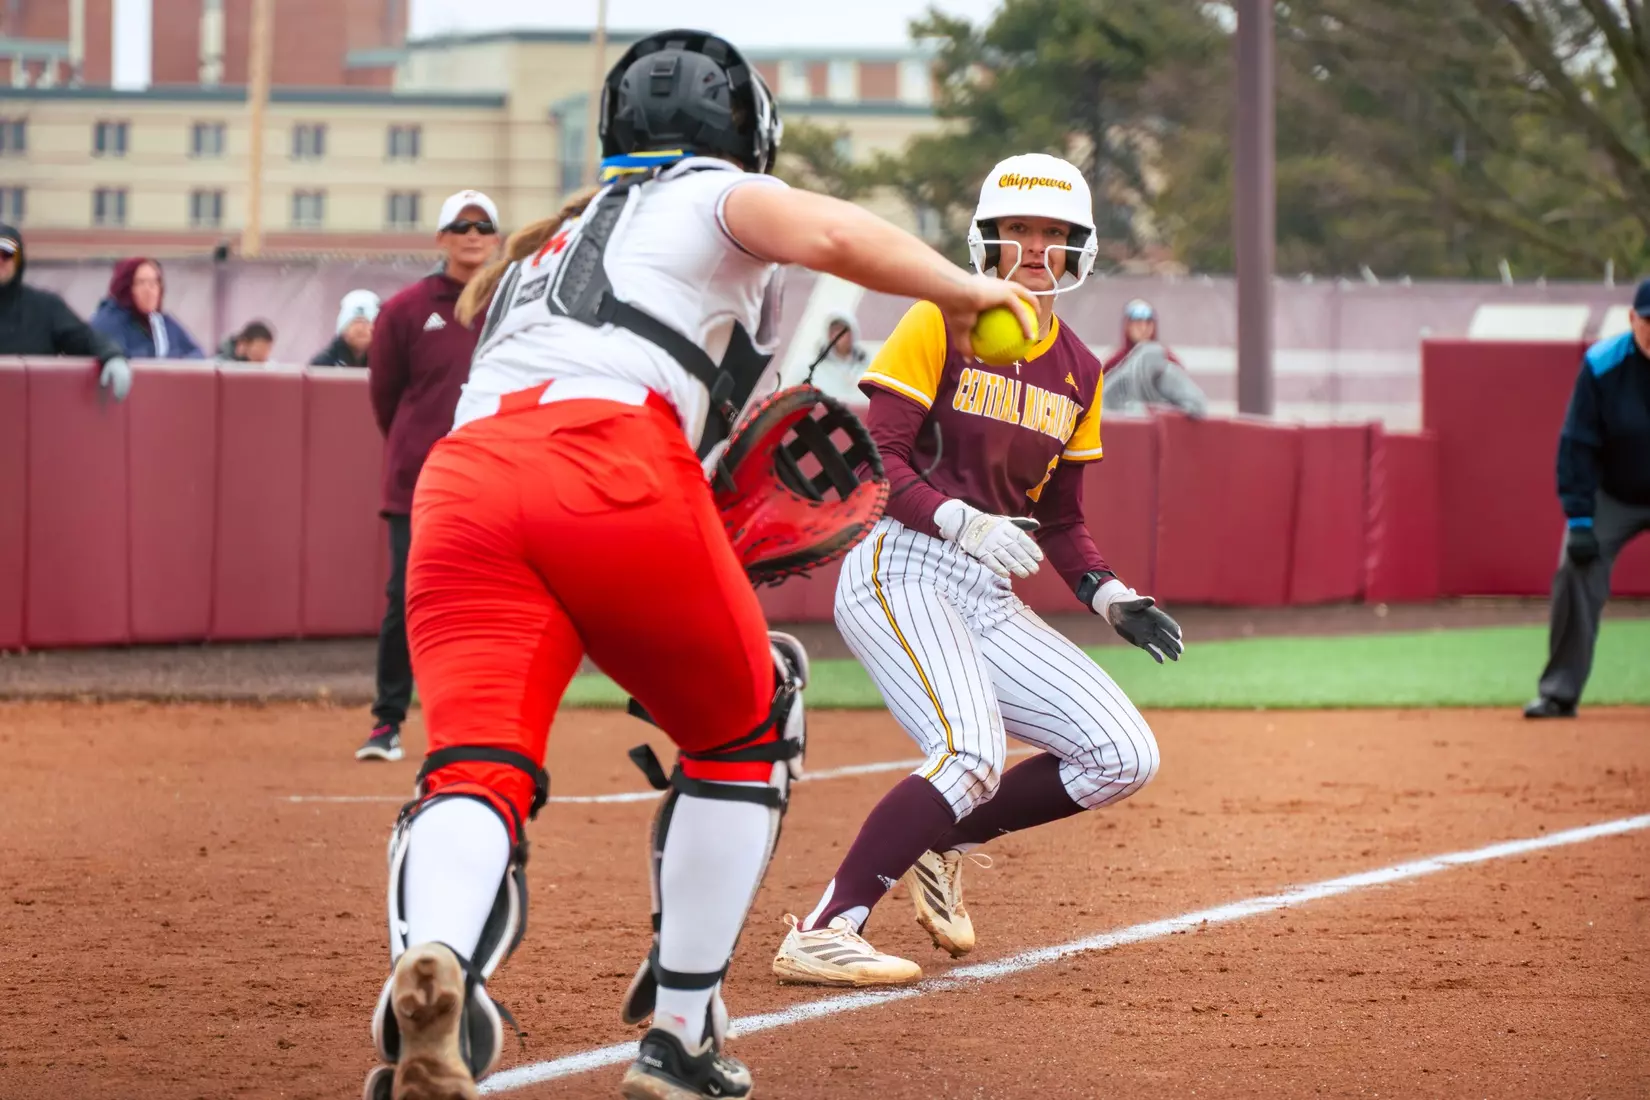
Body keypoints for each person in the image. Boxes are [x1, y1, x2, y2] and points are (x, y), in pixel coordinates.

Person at [358, 29, 1036, 1100]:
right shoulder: (710, 193)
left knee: (475, 759)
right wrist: (966, 293)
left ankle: (441, 951)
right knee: (749, 725)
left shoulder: (541, 245)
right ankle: (681, 1032)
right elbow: (823, 228)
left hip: (465, 485)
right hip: (614, 463)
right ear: (742, 132)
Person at [770, 153, 1183, 988]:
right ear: (987, 240)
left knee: (1122, 753)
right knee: (969, 748)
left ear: (1079, 250)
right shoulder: (935, 318)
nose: (1037, 248)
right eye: (1020, 231)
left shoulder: (1080, 366)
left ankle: (943, 839)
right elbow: (877, 464)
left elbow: (1063, 519)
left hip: (984, 591)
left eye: (1055, 234)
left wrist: (1110, 596)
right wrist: (963, 521)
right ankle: (825, 927)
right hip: (903, 565)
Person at [357, 190, 500, 763]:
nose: (471, 235)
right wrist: (417, 447)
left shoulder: (511, 303)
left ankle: (478, 722)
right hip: (420, 478)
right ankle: (386, 723)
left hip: (493, 477)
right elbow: (384, 399)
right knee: (404, 597)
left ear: (496, 238)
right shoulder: (408, 309)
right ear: (441, 238)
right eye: (460, 226)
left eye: (482, 225)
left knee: (489, 600)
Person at [1524, 280, 1650, 718]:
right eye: (1649, 321)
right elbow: (1577, 443)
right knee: (1575, 569)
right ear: (1633, 320)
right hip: (1614, 493)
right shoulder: (1602, 365)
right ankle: (1559, 692)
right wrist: (1579, 520)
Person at [0, 223, 131, 400]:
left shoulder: (44, 307)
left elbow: (84, 338)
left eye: (7, 254)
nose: (0, 261)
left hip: (31, 414)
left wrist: (112, 356)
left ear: (18, 259)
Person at [1100, 298, 1206, 416]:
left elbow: (1188, 401)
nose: (1143, 328)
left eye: (1148, 323)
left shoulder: (1166, 360)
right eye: (1138, 323)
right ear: (1127, 326)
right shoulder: (1114, 363)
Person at [89, 258, 205, 360]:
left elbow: (196, 355)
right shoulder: (108, 323)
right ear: (126, 287)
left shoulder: (163, 323)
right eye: (141, 282)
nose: (149, 290)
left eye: (154, 283)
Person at [801, 309, 871, 411]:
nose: (838, 335)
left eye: (843, 330)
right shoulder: (813, 367)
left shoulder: (865, 366)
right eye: (834, 330)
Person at [310, 289, 379, 367]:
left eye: (366, 323)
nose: (360, 329)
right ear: (343, 329)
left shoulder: (387, 363)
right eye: (355, 322)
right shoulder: (323, 365)